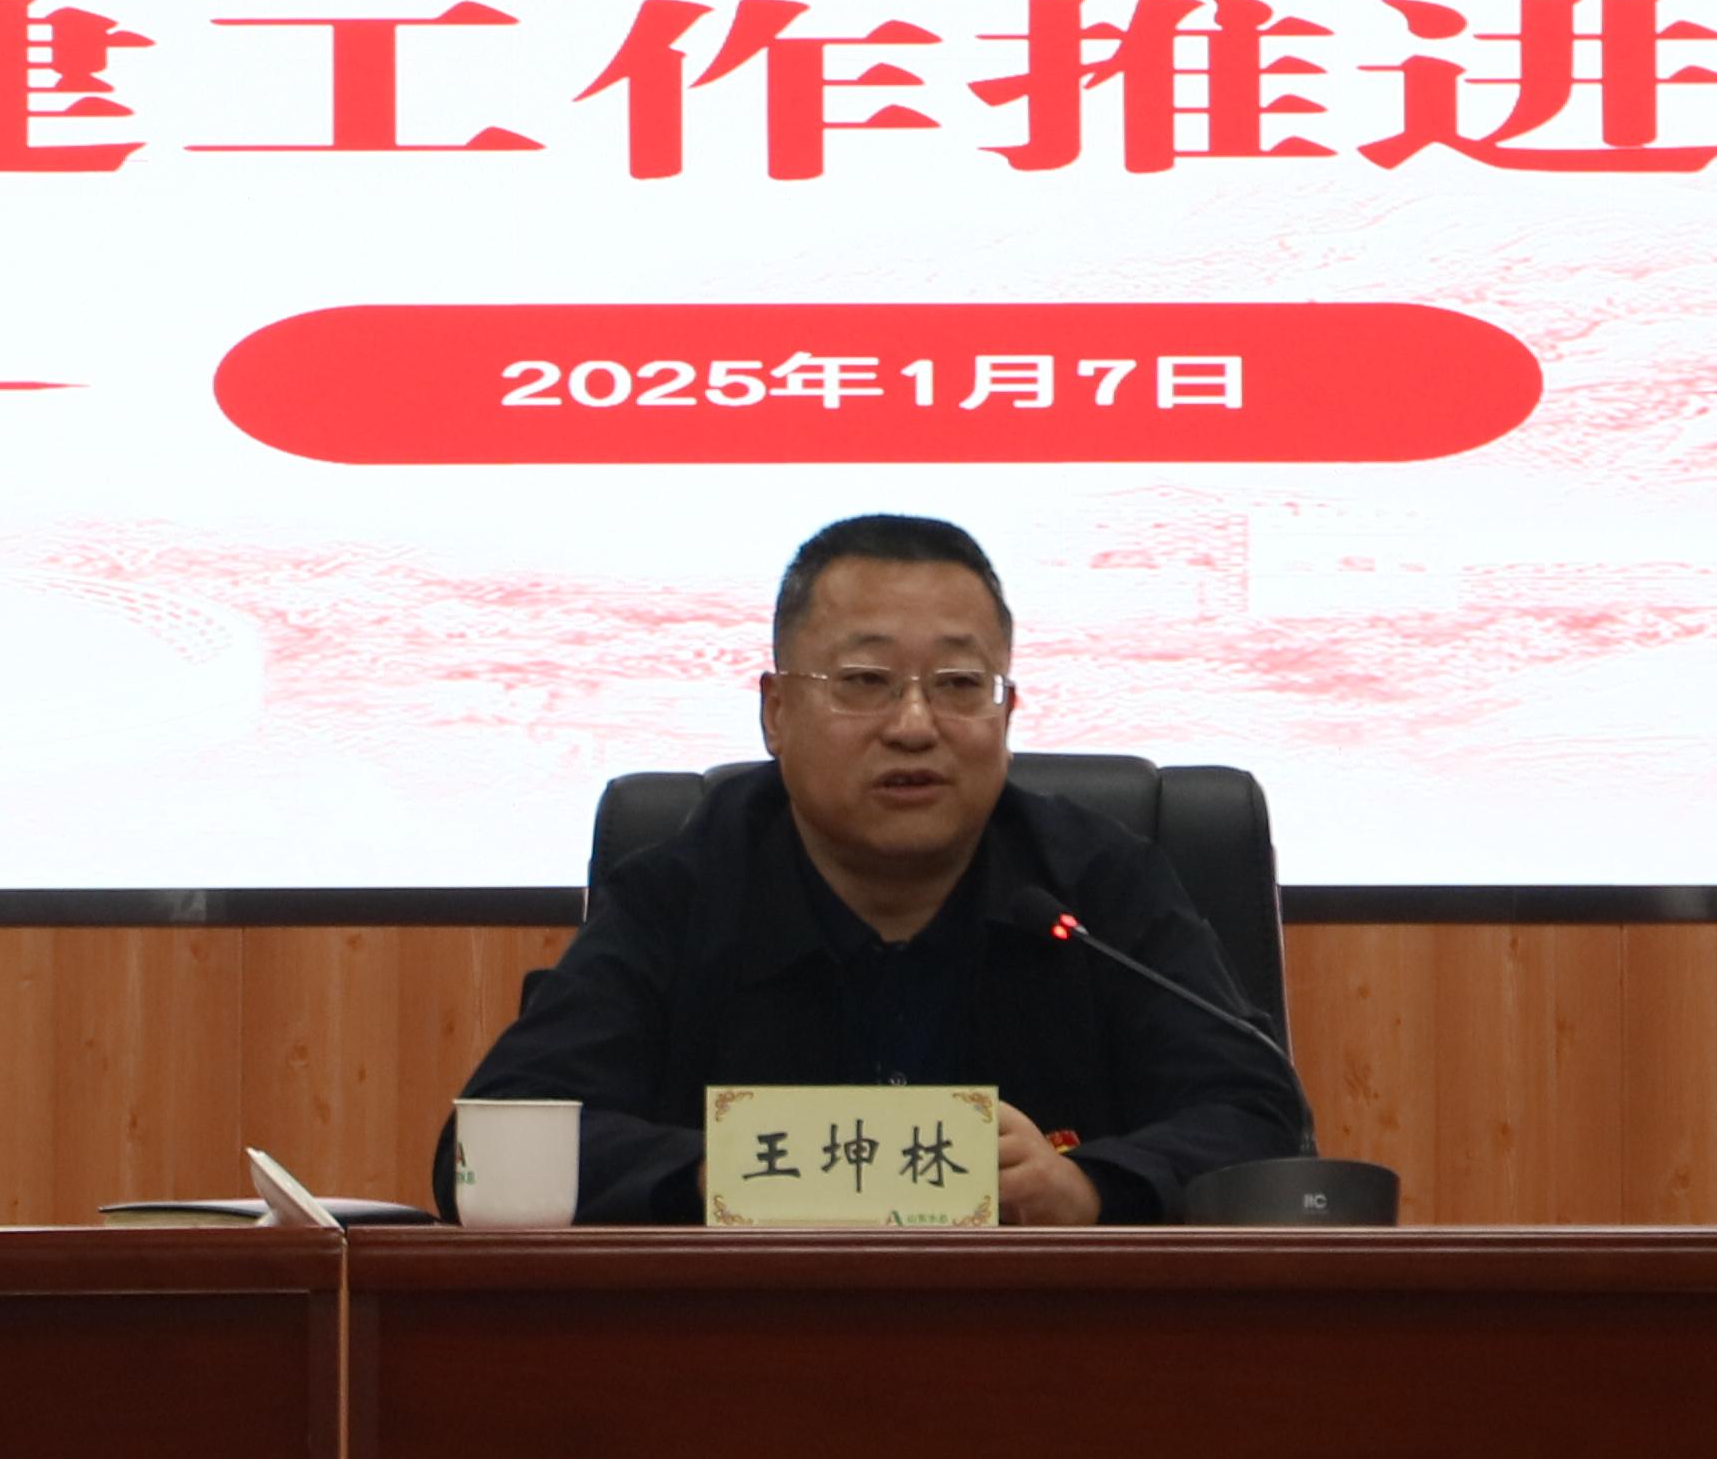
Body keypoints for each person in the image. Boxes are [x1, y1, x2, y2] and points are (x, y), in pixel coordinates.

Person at [441, 513, 1309, 1225]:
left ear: (1008, 712)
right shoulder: (682, 891)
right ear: (776, 711)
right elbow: (488, 1148)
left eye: (960, 684)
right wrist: (724, 1173)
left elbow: (1260, 1121)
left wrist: (1090, 1187)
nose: (914, 725)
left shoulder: (1097, 888)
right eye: (864, 680)